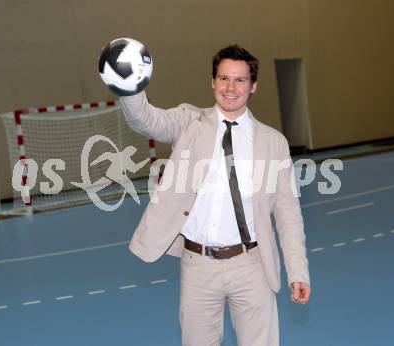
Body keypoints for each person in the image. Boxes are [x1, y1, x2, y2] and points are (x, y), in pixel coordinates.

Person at [118, 44, 310, 346]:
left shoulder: (273, 143)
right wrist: (129, 87)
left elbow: (288, 214)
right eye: (223, 78)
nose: (230, 88)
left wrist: (298, 271)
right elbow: (146, 120)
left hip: (253, 265)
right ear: (212, 82)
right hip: (198, 266)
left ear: (253, 85)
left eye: (240, 80)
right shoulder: (188, 123)